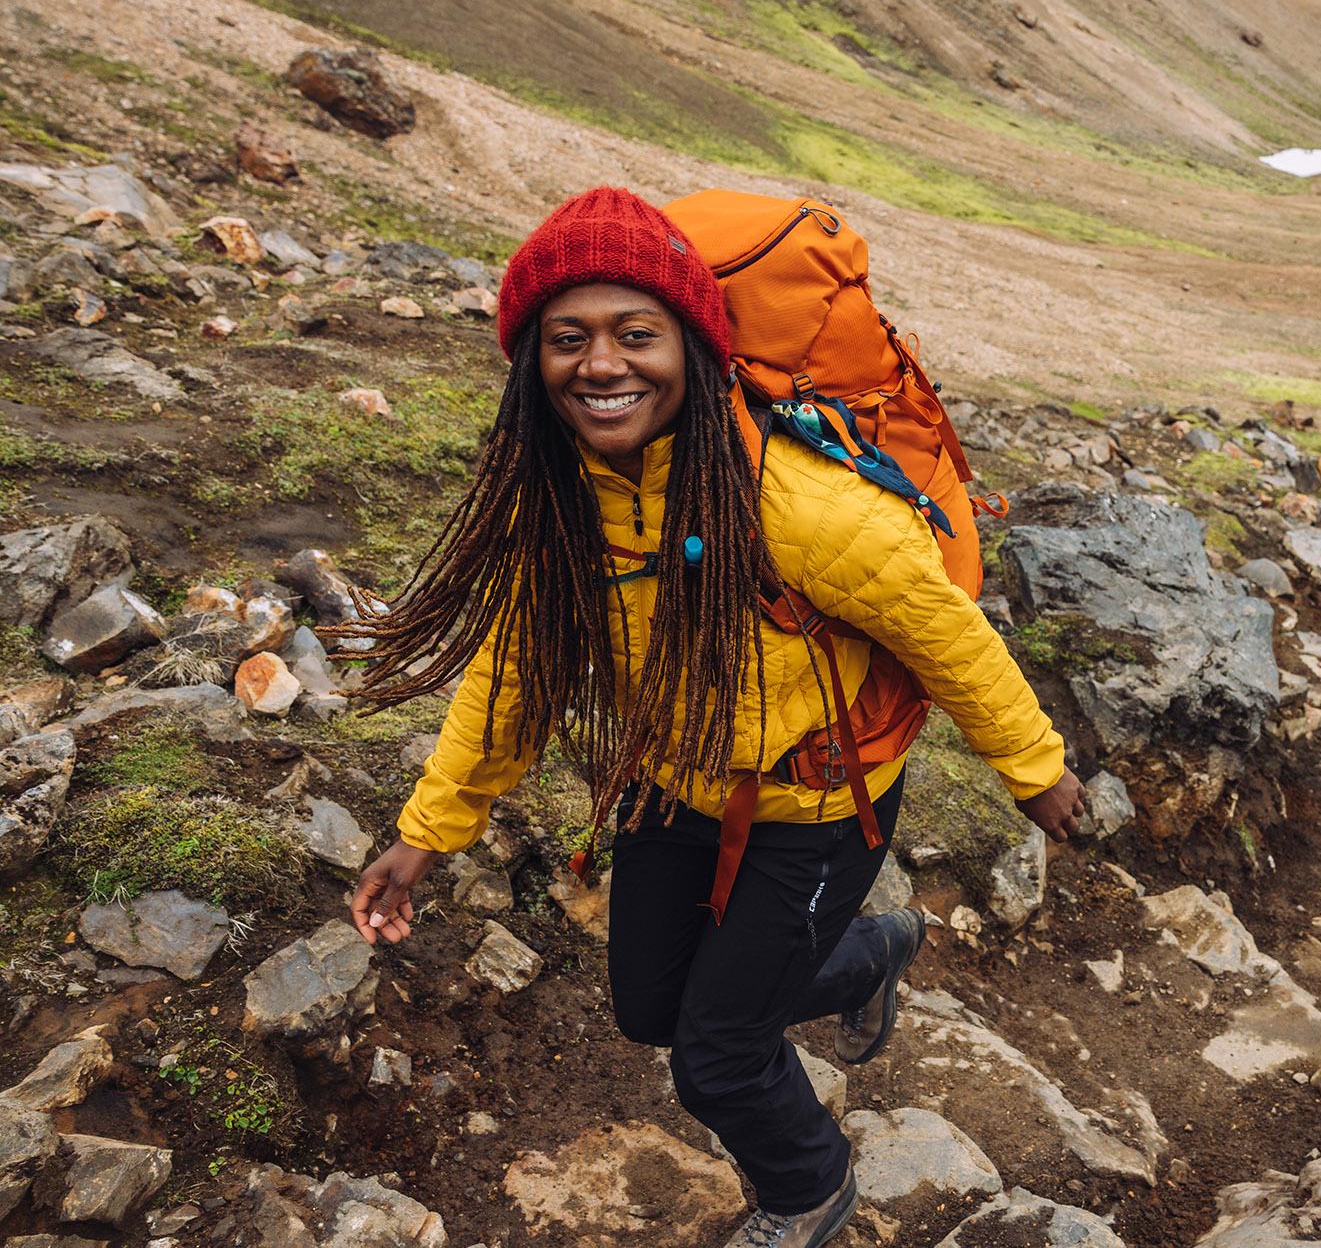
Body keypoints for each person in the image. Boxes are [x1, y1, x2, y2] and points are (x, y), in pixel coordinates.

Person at [338, 187, 1085, 1248]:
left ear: (693, 345)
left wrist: (1034, 767)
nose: (601, 364)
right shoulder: (558, 500)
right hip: (670, 777)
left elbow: (948, 637)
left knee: (717, 1052)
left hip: (815, 804)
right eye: (568, 338)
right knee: (651, 1010)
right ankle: (868, 954)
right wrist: (423, 836)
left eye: (635, 333)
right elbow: (515, 677)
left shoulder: (802, 507)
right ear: (529, 362)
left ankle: (809, 1186)